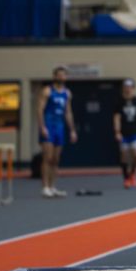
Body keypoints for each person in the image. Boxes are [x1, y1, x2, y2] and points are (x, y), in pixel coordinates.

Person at [37, 66, 77, 198]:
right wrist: (42, 127)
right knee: (47, 157)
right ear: (54, 76)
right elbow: (40, 109)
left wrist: (72, 130)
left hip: (60, 127)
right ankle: (45, 187)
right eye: (59, 75)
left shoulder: (67, 93)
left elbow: (68, 112)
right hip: (49, 125)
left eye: (63, 75)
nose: (61, 77)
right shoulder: (47, 91)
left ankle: (53, 186)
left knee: (56, 159)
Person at [113, 79, 136, 189]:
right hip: (124, 133)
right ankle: (126, 178)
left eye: (130, 87)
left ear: (133, 88)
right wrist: (117, 131)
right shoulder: (119, 102)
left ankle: (132, 173)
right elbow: (116, 118)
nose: (128, 89)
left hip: (134, 132)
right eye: (126, 87)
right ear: (123, 88)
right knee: (124, 155)